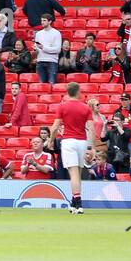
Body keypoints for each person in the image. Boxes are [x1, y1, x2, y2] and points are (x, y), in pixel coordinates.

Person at [50, 82, 94, 215]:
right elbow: (91, 129)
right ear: (78, 91)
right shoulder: (86, 108)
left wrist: (51, 140)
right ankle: (74, 203)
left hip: (68, 141)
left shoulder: (62, 106)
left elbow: (55, 127)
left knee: (73, 174)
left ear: (67, 92)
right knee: (78, 174)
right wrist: (91, 147)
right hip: (82, 141)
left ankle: (78, 202)